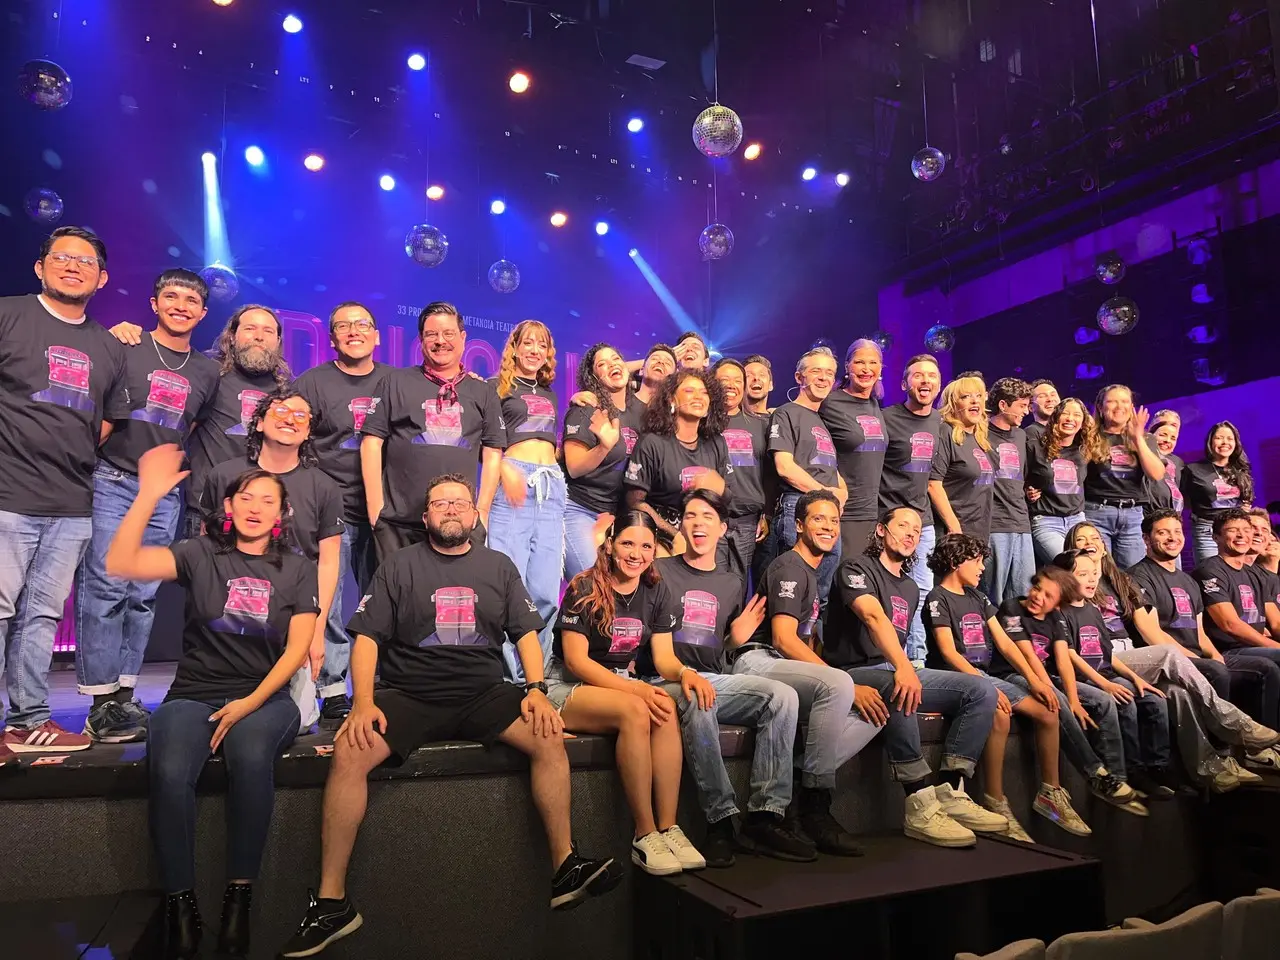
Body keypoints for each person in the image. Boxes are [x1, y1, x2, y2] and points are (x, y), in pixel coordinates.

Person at [278, 474, 621, 957]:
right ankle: (333, 902)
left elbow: (525, 632)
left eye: (460, 502)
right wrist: (361, 702)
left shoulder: (498, 566)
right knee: (350, 755)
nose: (452, 509)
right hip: (411, 693)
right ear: (426, 518)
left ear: (475, 515)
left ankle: (566, 865)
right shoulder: (399, 565)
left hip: (483, 692)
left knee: (548, 736)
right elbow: (368, 638)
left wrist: (538, 689)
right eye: (440, 503)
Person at [111, 450, 317, 958]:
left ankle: (238, 901)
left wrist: (248, 704)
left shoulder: (297, 568)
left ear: (281, 513)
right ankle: (181, 905)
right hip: (194, 692)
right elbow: (121, 563)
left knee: (249, 756)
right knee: (169, 767)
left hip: (265, 695)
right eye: (246, 497)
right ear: (229, 505)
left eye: (268, 500)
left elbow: (296, 653)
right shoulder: (199, 553)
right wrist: (148, 495)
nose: (255, 507)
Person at [74, 269, 220, 744]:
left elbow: (192, 427)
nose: (181, 305)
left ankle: (125, 694)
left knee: (143, 594)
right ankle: (100, 702)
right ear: (155, 303)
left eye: (191, 300)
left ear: (202, 312)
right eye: (171, 297)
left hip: (163, 493)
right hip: (114, 479)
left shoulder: (205, 370)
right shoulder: (126, 345)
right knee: (106, 586)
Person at [0, 226, 129, 757]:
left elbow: (104, 424)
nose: (73, 266)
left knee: (42, 617)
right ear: (40, 267)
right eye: (62, 257)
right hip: (6, 495)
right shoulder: (8, 314)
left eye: (86, 261)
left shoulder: (107, 345)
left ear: (101, 277)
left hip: (72, 504)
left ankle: (27, 720)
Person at [635, 493, 810, 867]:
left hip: (715, 677)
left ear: (723, 528)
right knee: (701, 700)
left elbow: (722, 645)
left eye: (707, 517)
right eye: (691, 516)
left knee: (784, 697)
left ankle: (765, 817)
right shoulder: (659, 571)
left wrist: (737, 637)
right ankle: (720, 822)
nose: (698, 523)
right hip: (663, 679)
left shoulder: (732, 582)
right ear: (681, 524)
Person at [826, 506, 1016, 846]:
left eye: (916, 529)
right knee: (902, 687)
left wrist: (904, 667)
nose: (911, 533)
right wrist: (903, 667)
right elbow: (872, 616)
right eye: (902, 525)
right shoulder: (855, 568)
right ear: (881, 530)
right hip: (854, 672)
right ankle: (918, 802)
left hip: (896, 668)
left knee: (980, 691)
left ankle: (950, 790)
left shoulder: (911, 588)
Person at [547, 510, 705, 875]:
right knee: (638, 707)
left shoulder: (656, 588)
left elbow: (664, 658)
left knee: (662, 702)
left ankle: (668, 827)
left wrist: (684, 673)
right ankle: (644, 834)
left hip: (618, 684)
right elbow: (575, 661)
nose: (637, 553)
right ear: (611, 544)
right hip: (568, 685)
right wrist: (635, 688)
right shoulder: (584, 586)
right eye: (628, 543)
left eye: (646, 546)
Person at [732, 489, 882, 855]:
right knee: (840, 685)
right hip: (758, 659)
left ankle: (801, 775)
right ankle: (815, 806)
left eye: (834, 520)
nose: (829, 527)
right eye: (818, 519)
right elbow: (784, 639)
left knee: (876, 712)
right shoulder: (789, 567)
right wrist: (841, 681)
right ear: (799, 525)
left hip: (783, 666)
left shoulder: (813, 575)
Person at [921, 533, 1091, 836]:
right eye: (976, 562)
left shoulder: (978, 597)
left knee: (1048, 710)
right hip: (956, 677)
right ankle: (995, 801)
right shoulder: (938, 598)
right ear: (956, 562)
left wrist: (1037, 681)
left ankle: (1050, 794)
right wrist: (984, 687)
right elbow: (947, 652)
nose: (982, 568)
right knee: (999, 713)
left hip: (985, 677)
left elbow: (1007, 643)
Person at [199, 389, 344, 732]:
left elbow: (327, 563)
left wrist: (316, 631)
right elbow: (206, 550)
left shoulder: (324, 487)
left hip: (294, 617)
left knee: (295, 723)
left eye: (300, 416)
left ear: (309, 432)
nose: (290, 419)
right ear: (260, 422)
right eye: (280, 411)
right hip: (234, 613)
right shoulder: (224, 476)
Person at [112, 304, 292, 540]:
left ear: (278, 340)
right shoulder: (205, 371)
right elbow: (164, 357)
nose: (259, 336)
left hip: (264, 515)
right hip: (206, 512)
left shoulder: (289, 392)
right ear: (232, 335)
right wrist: (123, 333)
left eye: (268, 331)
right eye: (250, 328)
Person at [293, 302, 390, 726]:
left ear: (377, 335)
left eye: (362, 325)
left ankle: (384, 683)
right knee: (327, 604)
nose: (354, 331)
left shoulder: (394, 381)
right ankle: (332, 690)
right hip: (329, 511)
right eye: (343, 327)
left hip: (383, 511)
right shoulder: (312, 383)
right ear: (332, 338)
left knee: (383, 601)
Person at [360, 302, 504, 564]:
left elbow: (493, 451)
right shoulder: (395, 382)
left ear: (462, 338)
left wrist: (481, 511)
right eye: (431, 334)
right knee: (398, 603)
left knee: (455, 602)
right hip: (398, 525)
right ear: (421, 340)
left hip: (460, 526)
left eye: (448, 333)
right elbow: (371, 442)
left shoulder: (483, 392)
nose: (440, 341)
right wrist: (375, 509)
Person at [1054, 550, 1174, 804]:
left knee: (1155, 700)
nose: (1091, 580)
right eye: (1082, 574)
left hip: (1106, 673)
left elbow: (1109, 655)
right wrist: (1105, 683)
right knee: (1124, 698)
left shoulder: (1093, 610)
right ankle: (1131, 770)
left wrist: (1136, 677)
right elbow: (1071, 655)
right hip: (1084, 679)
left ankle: (1158, 767)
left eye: (1094, 574)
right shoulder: (1058, 612)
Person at [485, 321, 566, 682]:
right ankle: (509, 677)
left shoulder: (549, 393)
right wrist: (503, 467)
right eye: (527, 343)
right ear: (514, 348)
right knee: (508, 583)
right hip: (513, 482)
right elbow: (481, 441)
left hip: (551, 486)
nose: (534, 349)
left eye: (542, 344)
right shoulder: (494, 387)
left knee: (546, 590)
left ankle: (539, 674)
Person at [768, 346, 846, 615]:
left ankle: (811, 656)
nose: (824, 378)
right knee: (792, 597)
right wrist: (827, 494)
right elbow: (785, 466)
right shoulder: (786, 413)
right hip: (798, 508)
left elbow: (828, 468)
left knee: (819, 600)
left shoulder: (822, 421)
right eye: (816, 371)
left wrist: (841, 492)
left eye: (829, 373)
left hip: (828, 512)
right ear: (799, 377)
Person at [1192, 508, 1280, 738]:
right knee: (1270, 663)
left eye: (1246, 530)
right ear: (1216, 537)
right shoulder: (1210, 570)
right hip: (1227, 651)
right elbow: (1230, 625)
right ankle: (1265, 740)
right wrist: (1273, 646)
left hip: (1254, 646)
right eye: (1232, 530)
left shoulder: (1255, 574)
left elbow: (1276, 622)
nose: (1241, 536)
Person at [623, 368, 732, 554]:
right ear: (672, 400)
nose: (699, 396)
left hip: (704, 534)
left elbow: (728, 499)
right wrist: (674, 535)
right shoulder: (652, 443)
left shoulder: (717, 443)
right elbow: (634, 502)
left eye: (704, 392)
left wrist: (720, 487)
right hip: (662, 536)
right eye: (689, 391)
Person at [561, 344, 647, 579]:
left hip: (617, 512)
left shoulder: (639, 409)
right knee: (592, 584)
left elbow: (654, 371)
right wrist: (603, 447)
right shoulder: (586, 409)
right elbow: (575, 468)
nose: (612, 365)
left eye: (616, 358)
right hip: (580, 509)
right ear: (594, 377)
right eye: (602, 364)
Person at [878, 353, 942, 665]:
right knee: (890, 591)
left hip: (923, 523)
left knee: (921, 592)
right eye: (918, 375)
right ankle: (891, 659)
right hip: (887, 518)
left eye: (931, 375)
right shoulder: (886, 418)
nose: (925, 380)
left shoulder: (941, 422)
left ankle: (916, 658)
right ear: (905, 383)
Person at [818, 339, 887, 560]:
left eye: (873, 363)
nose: (866, 369)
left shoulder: (876, 404)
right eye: (859, 362)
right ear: (847, 366)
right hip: (844, 511)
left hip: (873, 512)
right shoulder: (830, 403)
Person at [1083, 384, 1164, 569]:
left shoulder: (1146, 438)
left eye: (1125, 401)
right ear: (1101, 408)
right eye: (1111, 402)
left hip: (1133, 516)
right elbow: (1078, 471)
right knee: (1098, 573)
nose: (1119, 406)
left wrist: (1137, 438)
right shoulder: (1090, 437)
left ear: (1132, 407)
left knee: (1132, 576)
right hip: (1096, 513)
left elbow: (1157, 474)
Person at [1025, 397, 1104, 566]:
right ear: (1055, 417)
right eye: (1065, 413)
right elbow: (1021, 476)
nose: (1070, 419)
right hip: (1046, 521)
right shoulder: (1036, 446)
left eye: (1076, 415)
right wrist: (1027, 490)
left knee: (1095, 566)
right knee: (1072, 566)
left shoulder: (1085, 450)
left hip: (1077, 520)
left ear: (1083, 422)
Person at [713, 358, 769, 580]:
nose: (731, 385)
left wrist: (767, 514)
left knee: (738, 586)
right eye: (724, 379)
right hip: (712, 517)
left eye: (737, 380)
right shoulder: (702, 422)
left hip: (747, 521)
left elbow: (769, 474)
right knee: (711, 583)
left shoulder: (761, 424)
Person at [983, 378, 1034, 604]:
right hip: (995, 524)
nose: (1026, 411)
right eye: (1021, 406)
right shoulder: (980, 431)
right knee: (994, 594)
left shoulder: (1021, 435)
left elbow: (1021, 475)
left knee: (1023, 594)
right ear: (1003, 405)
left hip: (1021, 522)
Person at [928, 375, 995, 543]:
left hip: (979, 530)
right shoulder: (946, 432)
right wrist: (954, 527)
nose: (974, 401)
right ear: (953, 404)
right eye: (966, 397)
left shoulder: (980, 439)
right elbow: (933, 484)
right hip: (954, 532)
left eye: (978, 396)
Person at [1182, 421, 1253, 563]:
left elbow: (1246, 500)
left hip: (1236, 531)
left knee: (1237, 576)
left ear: (1236, 443)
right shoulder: (1193, 469)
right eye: (1219, 438)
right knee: (1211, 576)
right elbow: (1184, 500)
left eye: (1229, 438)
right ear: (1210, 441)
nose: (1225, 442)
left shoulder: (1240, 470)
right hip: (1207, 530)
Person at [1145, 410, 1185, 520]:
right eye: (1163, 433)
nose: (1167, 440)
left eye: (1174, 426)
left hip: (1172, 517)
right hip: (1149, 516)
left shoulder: (1178, 462)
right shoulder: (1143, 453)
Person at [1026, 380, 1059, 444]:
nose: (1050, 399)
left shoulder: (1067, 431)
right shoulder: (1032, 433)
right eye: (1042, 396)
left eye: (1053, 395)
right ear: (1030, 407)